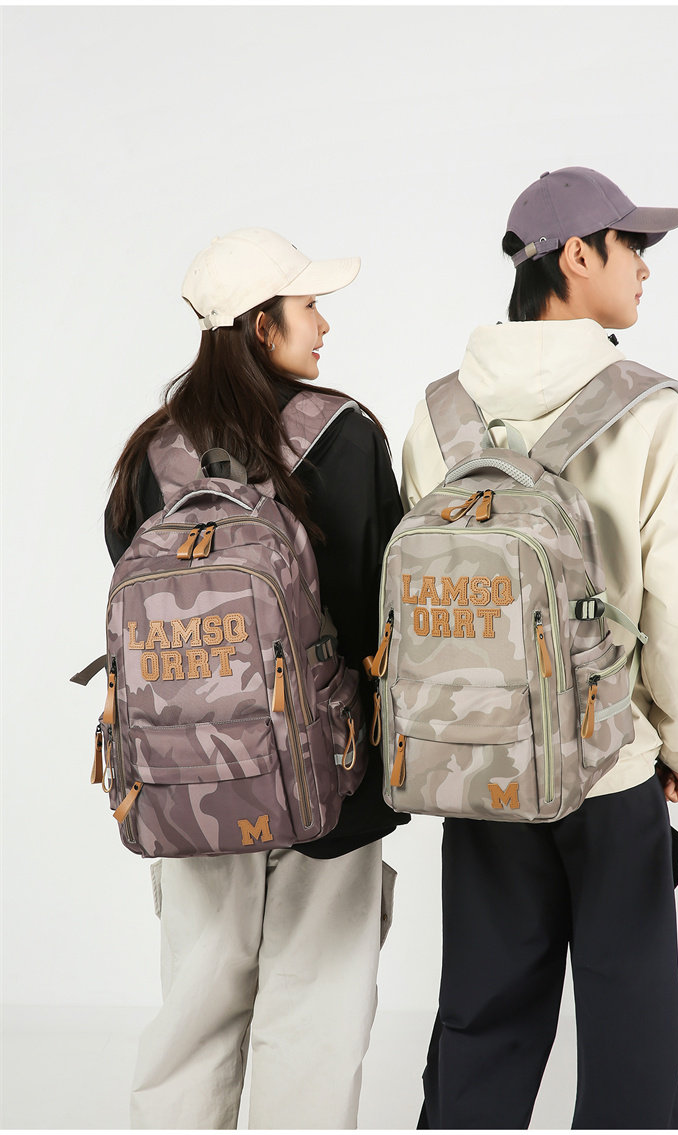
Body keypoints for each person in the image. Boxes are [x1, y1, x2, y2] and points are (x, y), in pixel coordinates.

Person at [401, 167, 678, 1129]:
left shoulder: (438, 413)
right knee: (629, 1008)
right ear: (577, 256)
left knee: (483, 1004)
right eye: (634, 247)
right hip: (608, 756)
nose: (645, 269)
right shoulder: (648, 408)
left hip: (477, 754)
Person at [105, 227, 408, 1129]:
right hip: (331, 784)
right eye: (309, 306)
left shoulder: (152, 453)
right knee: (314, 1023)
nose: (324, 325)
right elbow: (381, 605)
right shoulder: (344, 435)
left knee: (193, 1017)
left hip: (187, 789)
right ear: (261, 324)